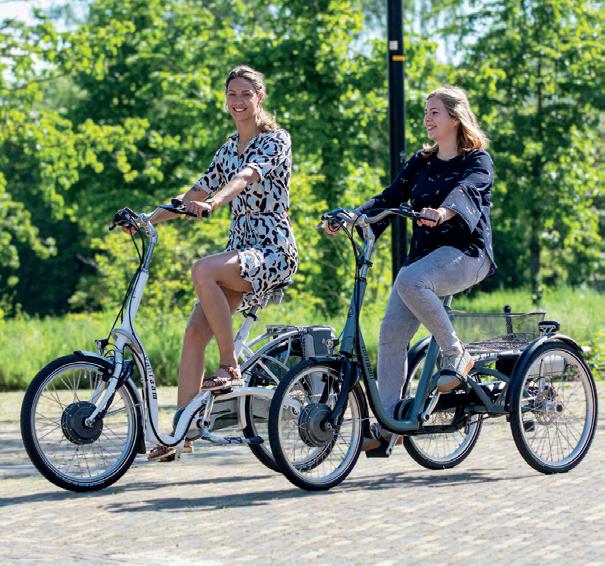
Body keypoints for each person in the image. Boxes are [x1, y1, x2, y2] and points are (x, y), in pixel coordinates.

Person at [144, 65, 297, 461]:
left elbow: (244, 178)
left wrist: (214, 203)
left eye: (246, 94)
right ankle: (180, 434)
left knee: (202, 269)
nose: (238, 101)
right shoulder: (228, 147)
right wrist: (147, 220)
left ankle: (229, 367)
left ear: (260, 97)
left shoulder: (275, 140)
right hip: (239, 252)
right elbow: (194, 193)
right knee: (195, 334)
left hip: (271, 250)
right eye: (232, 94)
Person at [328, 86, 495, 449]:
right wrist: (354, 216)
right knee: (390, 333)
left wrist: (444, 212)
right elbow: (390, 197)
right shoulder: (422, 161)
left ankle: (456, 353)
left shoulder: (477, 160)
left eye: (434, 112)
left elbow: (468, 190)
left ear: (455, 118)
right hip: (423, 260)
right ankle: (389, 425)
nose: (427, 118)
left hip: (467, 254)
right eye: (425, 112)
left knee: (410, 280)